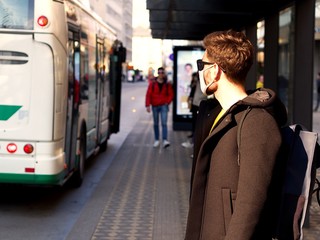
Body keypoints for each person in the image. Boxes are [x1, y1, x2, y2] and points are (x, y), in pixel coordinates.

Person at [185, 30, 287, 239]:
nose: (199, 72)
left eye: (201, 65)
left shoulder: (257, 122)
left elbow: (251, 203)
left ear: (215, 71)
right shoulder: (215, 112)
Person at [145, 67, 174, 148]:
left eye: (162, 72)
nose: (160, 74)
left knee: (164, 123)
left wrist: (167, 102)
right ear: (157, 73)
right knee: (156, 123)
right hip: (154, 106)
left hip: (164, 106)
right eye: (159, 72)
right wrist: (147, 105)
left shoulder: (167, 84)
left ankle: (165, 140)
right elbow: (148, 94)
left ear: (164, 74)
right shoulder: (153, 83)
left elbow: (171, 94)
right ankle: (157, 140)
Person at [181, 72, 207, 149]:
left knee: (198, 124)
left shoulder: (204, 82)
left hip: (200, 104)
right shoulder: (196, 82)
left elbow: (203, 94)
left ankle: (195, 143)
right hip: (195, 104)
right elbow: (192, 90)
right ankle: (193, 140)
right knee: (194, 122)